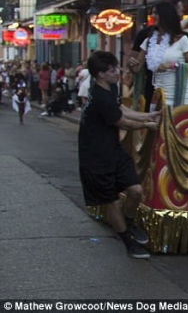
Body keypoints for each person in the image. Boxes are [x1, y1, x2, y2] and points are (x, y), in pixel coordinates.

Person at [77, 51, 162, 259]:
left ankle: (130, 223)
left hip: (113, 150)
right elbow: (122, 122)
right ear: (100, 75)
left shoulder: (111, 88)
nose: (118, 72)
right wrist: (147, 124)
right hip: (95, 157)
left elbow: (120, 109)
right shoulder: (99, 97)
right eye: (112, 70)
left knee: (135, 191)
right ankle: (127, 242)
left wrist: (147, 115)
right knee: (112, 201)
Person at [128, 0, 188, 108]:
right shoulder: (149, 40)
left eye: (156, 13)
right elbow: (137, 69)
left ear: (165, 15)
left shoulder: (182, 39)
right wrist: (131, 65)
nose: (152, 16)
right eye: (152, 13)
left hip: (180, 94)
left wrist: (172, 65)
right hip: (158, 94)